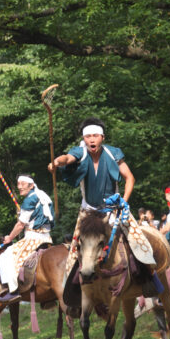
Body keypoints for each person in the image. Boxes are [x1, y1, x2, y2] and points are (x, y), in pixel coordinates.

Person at [49, 118, 135, 277]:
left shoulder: (113, 153)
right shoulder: (80, 152)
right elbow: (66, 159)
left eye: (95, 135)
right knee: (74, 252)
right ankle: (74, 287)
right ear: (84, 139)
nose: (91, 139)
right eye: (88, 136)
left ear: (102, 137)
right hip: (88, 211)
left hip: (115, 209)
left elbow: (130, 178)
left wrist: (124, 201)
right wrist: (56, 162)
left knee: (140, 244)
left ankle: (148, 281)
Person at [0, 175, 54, 303]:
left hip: (33, 239)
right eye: (18, 184)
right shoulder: (42, 195)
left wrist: (9, 237)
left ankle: (13, 291)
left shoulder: (29, 200)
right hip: (48, 238)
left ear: (31, 185)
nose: (19, 187)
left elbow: (20, 225)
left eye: (23, 184)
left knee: (4, 257)